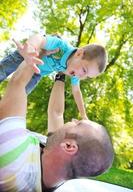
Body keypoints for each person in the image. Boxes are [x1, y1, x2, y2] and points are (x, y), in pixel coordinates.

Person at [0, 60, 114, 192]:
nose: (73, 119)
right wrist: (61, 73)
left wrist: (40, 50)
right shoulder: (52, 171)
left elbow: (18, 83)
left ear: (69, 146)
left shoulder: (14, 160)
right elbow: (56, 113)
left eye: (78, 123)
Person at [0, 34, 107, 120]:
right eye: (84, 70)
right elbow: (39, 39)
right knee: (2, 71)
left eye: (87, 76)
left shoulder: (76, 71)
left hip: (36, 73)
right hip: (26, 56)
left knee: (18, 95)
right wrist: (31, 48)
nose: (82, 76)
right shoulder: (60, 47)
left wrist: (84, 116)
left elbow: (76, 91)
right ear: (79, 54)